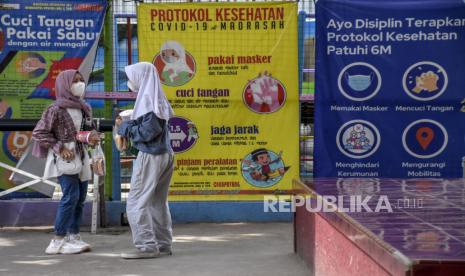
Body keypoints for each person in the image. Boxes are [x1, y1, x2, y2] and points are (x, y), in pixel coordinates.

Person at [32, 69, 100, 254]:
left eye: (81, 80)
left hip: (82, 156)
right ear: (64, 85)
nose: (80, 84)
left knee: (80, 197)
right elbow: (39, 133)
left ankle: (73, 236)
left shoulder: (84, 107)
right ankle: (57, 240)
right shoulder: (55, 109)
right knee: (70, 197)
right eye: (75, 81)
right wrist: (59, 148)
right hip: (65, 158)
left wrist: (92, 136)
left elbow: (87, 130)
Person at [116, 62, 175, 259]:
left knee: (136, 202)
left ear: (141, 78)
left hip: (151, 155)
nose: (130, 83)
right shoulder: (155, 98)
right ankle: (163, 244)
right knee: (157, 202)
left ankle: (147, 246)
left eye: (132, 78)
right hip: (165, 154)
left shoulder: (149, 101)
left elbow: (147, 133)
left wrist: (124, 128)